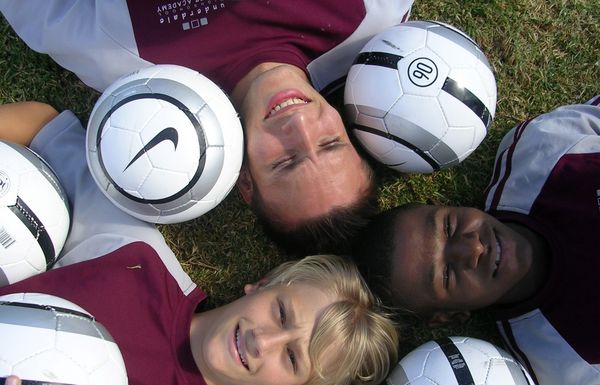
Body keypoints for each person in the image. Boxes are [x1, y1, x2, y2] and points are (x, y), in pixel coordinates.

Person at [0, 101, 400, 385]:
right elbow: (43, 128)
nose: (264, 341)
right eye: (281, 313)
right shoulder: (138, 260)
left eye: (292, 357)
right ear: (263, 285)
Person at [0, 0, 414, 254]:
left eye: (286, 162)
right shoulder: (369, 15)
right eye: (329, 143)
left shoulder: (131, 66)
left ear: (246, 181)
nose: (300, 126)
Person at [352, 96, 600, 385]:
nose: (473, 248)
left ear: (444, 204)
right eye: (447, 274)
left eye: (450, 227)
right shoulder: (567, 372)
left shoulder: (543, 152)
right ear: (450, 316)